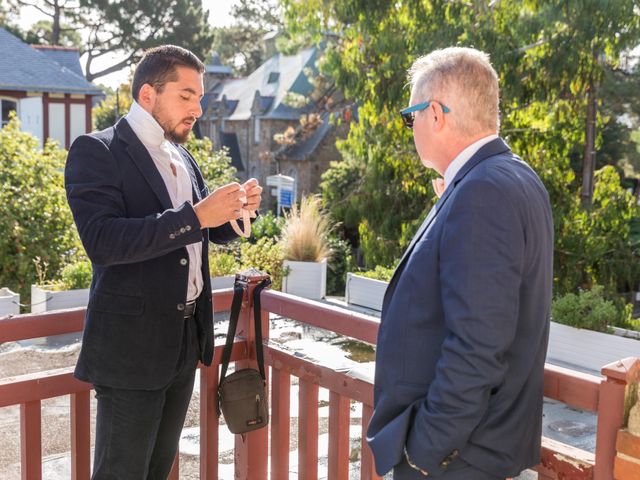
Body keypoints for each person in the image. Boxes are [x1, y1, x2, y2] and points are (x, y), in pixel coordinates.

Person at [65, 45, 262, 479]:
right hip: (131, 350)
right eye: (186, 95)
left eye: (200, 97)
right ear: (148, 94)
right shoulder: (97, 150)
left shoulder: (182, 156)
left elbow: (203, 232)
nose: (198, 107)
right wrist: (195, 217)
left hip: (183, 343)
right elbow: (103, 241)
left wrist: (240, 212)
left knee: (157, 470)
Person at [366, 47, 554, 479]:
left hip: (458, 460)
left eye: (410, 115)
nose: (410, 126)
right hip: (474, 453)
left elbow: (478, 346)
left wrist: (423, 452)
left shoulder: (482, 193)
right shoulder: (512, 176)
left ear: (435, 114)